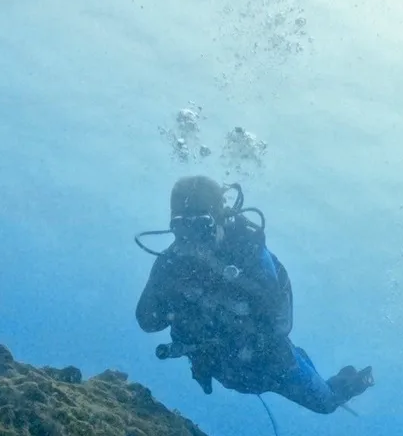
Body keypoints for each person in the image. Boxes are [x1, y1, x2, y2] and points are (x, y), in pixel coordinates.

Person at [135, 176, 373, 415]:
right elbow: (147, 321)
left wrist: (224, 300)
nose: (192, 238)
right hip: (219, 366)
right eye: (181, 226)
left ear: (220, 219)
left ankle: (350, 382)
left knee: (326, 404)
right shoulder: (172, 262)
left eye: (201, 225)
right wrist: (171, 288)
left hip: (269, 368)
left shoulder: (248, 252)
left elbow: (278, 322)